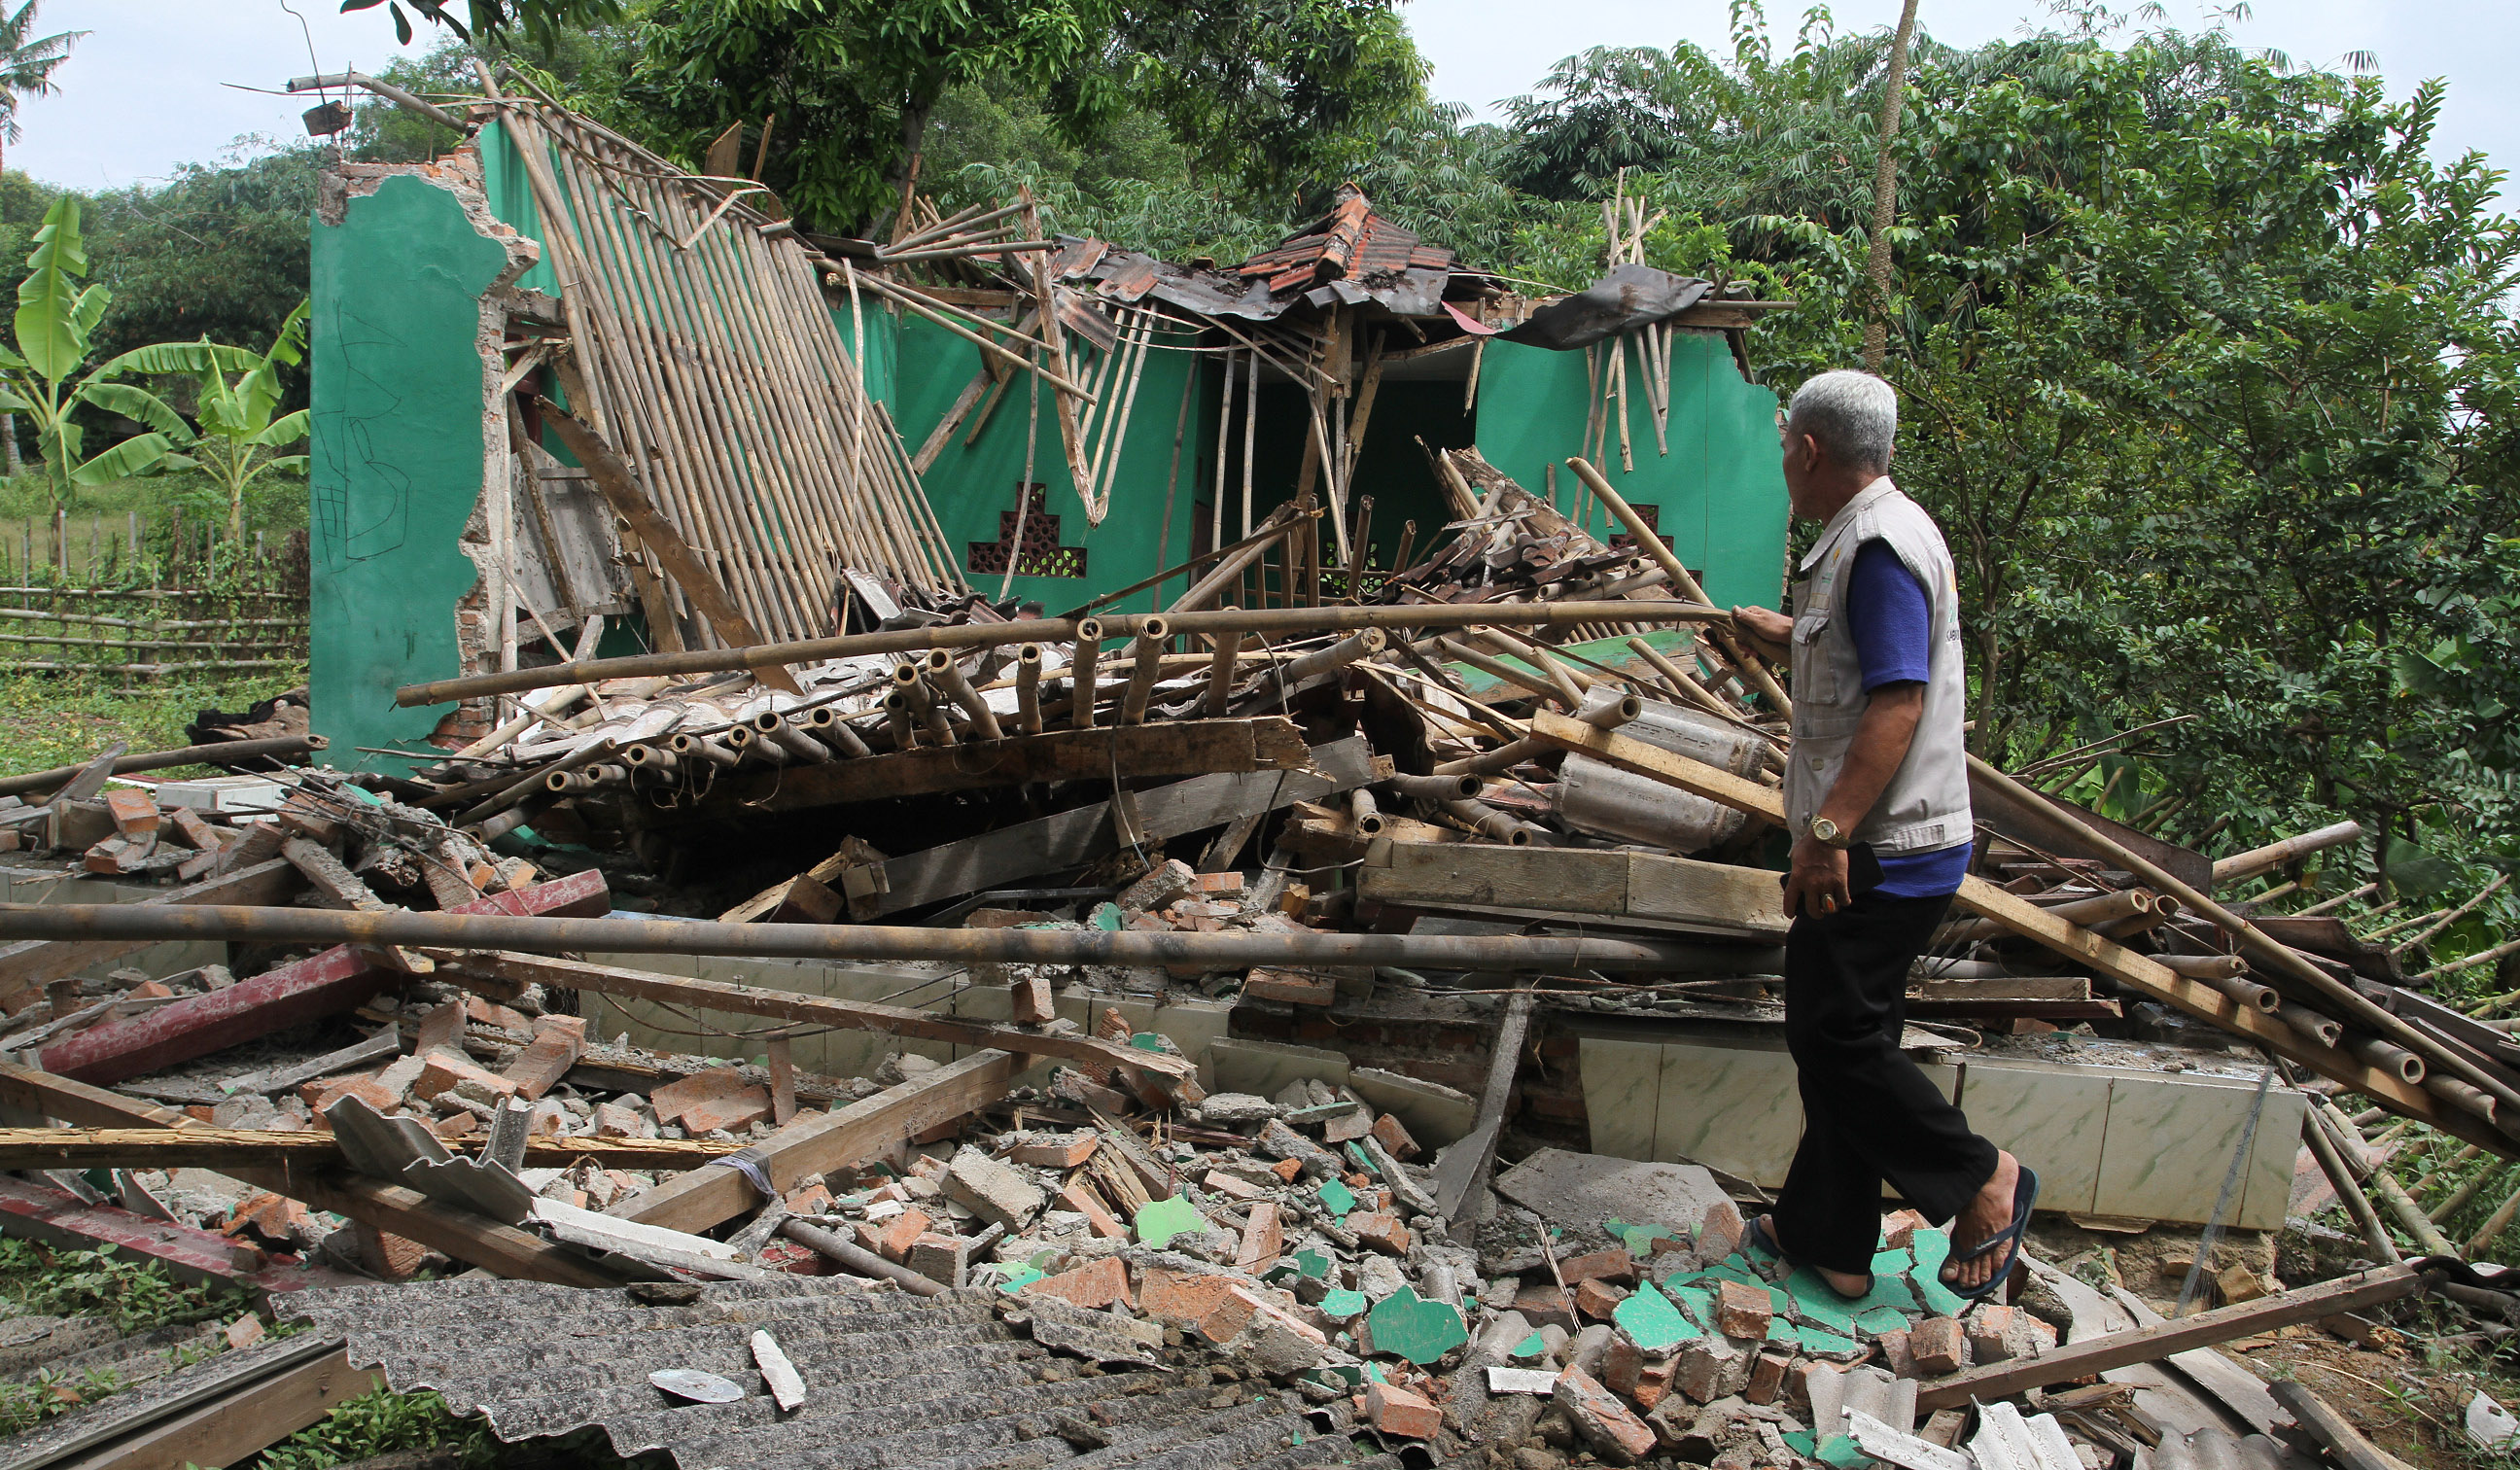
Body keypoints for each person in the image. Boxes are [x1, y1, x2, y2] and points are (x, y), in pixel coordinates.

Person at [1730, 369, 2037, 1301]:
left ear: (1809, 449)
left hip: (1883, 850)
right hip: (1886, 842)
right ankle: (1829, 1236)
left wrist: (1826, 833)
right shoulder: (1882, 533)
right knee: (1839, 1031)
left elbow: (1896, 704)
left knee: (1837, 1043)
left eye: (1785, 445)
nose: (1782, 460)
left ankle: (1984, 1179)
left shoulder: (1873, 547)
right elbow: (1865, 657)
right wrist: (1785, 634)